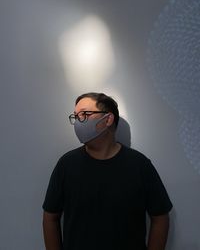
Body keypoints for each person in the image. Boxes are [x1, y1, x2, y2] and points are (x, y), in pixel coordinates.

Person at [42, 92, 173, 250]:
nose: (78, 121)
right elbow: (50, 217)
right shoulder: (67, 165)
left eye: (84, 114)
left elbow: (160, 216)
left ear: (108, 119)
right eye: (75, 116)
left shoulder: (139, 165)